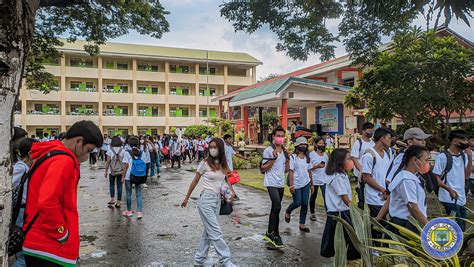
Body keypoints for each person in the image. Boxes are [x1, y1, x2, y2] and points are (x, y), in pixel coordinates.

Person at [22, 120, 103, 266]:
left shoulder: (50, 153)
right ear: (79, 141)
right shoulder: (63, 160)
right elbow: (47, 200)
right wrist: (62, 233)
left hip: (38, 241)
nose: (86, 156)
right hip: (50, 247)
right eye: (88, 150)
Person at [181, 138, 235, 266]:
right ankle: (226, 260)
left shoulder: (223, 164)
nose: (212, 149)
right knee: (216, 232)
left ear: (220, 148)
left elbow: (226, 181)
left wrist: (231, 193)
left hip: (217, 200)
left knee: (208, 232)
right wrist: (186, 197)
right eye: (210, 147)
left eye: (215, 147)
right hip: (205, 200)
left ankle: (199, 260)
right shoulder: (204, 163)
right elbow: (195, 180)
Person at [320, 148, 360, 260]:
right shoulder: (337, 177)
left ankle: (344, 256)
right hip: (339, 212)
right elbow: (344, 197)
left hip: (340, 211)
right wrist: (355, 210)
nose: (351, 161)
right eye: (348, 159)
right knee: (348, 236)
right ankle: (349, 257)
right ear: (340, 161)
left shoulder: (341, 174)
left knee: (335, 236)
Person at [433, 130, 472, 231]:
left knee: (462, 226)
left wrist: (469, 156)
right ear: (454, 141)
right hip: (449, 197)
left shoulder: (463, 156)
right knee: (457, 227)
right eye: (463, 140)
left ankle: (460, 245)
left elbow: (466, 176)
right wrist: (449, 189)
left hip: (461, 197)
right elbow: (436, 178)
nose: (466, 142)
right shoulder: (443, 157)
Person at [386, 145, 430, 234]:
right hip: (406, 226)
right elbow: (413, 208)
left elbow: (390, 199)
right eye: (426, 160)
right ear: (414, 160)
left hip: (409, 223)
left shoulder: (409, 176)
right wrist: (429, 227)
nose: (427, 163)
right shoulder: (406, 180)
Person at [261, 126, 289, 248]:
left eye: (282, 136)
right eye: (278, 135)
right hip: (271, 182)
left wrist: (288, 159)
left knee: (276, 208)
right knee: (277, 205)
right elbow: (263, 168)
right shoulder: (268, 150)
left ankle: (272, 233)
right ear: (273, 136)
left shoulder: (285, 151)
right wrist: (273, 158)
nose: (280, 138)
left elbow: (286, 170)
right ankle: (273, 233)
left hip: (280, 183)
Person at [12, 138, 34, 267]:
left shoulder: (25, 167)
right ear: (31, 153)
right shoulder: (21, 168)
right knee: (23, 255)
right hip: (21, 211)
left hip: (24, 211)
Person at [285, 137, 314, 232]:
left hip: (305, 183)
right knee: (297, 202)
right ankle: (288, 211)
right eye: (301, 144)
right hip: (296, 183)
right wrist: (292, 185)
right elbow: (291, 171)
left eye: (305, 145)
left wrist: (312, 184)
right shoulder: (293, 157)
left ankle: (302, 224)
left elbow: (309, 171)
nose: (303, 146)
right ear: (297, 146)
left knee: (305, 203)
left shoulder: (308, 158)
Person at [351, 122, 375, 208]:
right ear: (364, 131)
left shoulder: (373, 142)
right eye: (369, 131)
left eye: (372, 131)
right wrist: (361, 170)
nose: (371, 133)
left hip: (371, 174)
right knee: (361, 197)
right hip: (360, 175)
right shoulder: (358, 143)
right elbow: (354, 158)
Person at [122, 136, 146, 219]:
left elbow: (126, 165)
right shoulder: (143, 153)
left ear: (129, 144)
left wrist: (123, 176)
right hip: (139, 175)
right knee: (138, 194)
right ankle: (139, 212)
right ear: (138, 143)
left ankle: (129, 211)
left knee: (128, 193)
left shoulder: (127, 152)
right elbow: (145, 164)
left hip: (129, 176)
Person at [309, 137, 329, 221]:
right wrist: (317, 166)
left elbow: (327, 166)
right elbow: (308, 168)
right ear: (315, 144)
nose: (321, 145)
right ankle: (312, 213)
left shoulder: (325, 155)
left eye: (323, 143)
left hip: (324, 180)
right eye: (320, 143)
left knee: (326, 197)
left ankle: (329, 213)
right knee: (313, 196)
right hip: (314, 180)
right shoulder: (311, 154)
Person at [104, 136, 124, 208]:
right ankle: (118, 202)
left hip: (111, 171)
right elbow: (124, 162)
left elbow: (108, 162)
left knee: (112, 185)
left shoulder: (110, 150)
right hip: (121, 171)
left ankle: (112, 200)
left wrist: (106, 171)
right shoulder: (123, 150)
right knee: (120, 186)